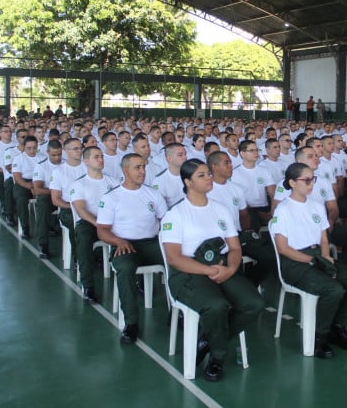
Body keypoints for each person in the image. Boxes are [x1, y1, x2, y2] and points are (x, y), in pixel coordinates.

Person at [161, 159, 264, 380]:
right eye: (201, 175)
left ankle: (207, 339)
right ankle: (217, 357)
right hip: (189, 273)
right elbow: (175, 258)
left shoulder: (221, 209)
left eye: (208, 173)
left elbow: (235, 247)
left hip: (222, 267)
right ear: (188, 182)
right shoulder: (176, 214)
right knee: (217, 306)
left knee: (254, 304)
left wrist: (230, 268)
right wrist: (208, 271)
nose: (209, 178)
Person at [270, 163, 347, 358]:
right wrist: (312, 261)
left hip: (318, 255)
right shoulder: (283, 210)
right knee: (333, 289)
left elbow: (323, 238)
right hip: (295, 261)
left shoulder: (315, 205)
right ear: (292, 182)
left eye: (312, 179)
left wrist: (324, 257)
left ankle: (338, 327)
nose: (311, 183)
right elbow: (283, 248)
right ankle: (319, 337)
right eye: (306, 180)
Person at [97, 153, 168, 344]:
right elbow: (102, 231)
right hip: (125, 244)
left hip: (151, 243)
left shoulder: (153, 194)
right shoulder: (112, 197)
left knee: (178, 262)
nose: (142, 171)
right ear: (125, 170)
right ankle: (131, 323)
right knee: (126, 269)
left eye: (143, 167)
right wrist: (118, 241)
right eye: (137, 167)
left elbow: (165, 222)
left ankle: (178, 312)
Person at [71, 146, 120, 302]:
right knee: (84, 238)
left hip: (111, 222)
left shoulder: (113, 181)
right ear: (86, 161)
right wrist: (99, 224)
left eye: (101, 157)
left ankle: (134, 277)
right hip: (89, 223)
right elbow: (81, 210)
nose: (101, 160)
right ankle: (88, 285)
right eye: (96, 157)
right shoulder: (79, 184)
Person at [32, 139, 64, 259]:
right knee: (43, 202)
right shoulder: (41, 166)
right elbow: (38, 189)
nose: (57, 158)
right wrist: (55, 192)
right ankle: (43, 244)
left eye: (59, 154)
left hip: (66, 197)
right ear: (47, 152)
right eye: (53, 155)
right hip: (50, 197)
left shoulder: (66, 165)